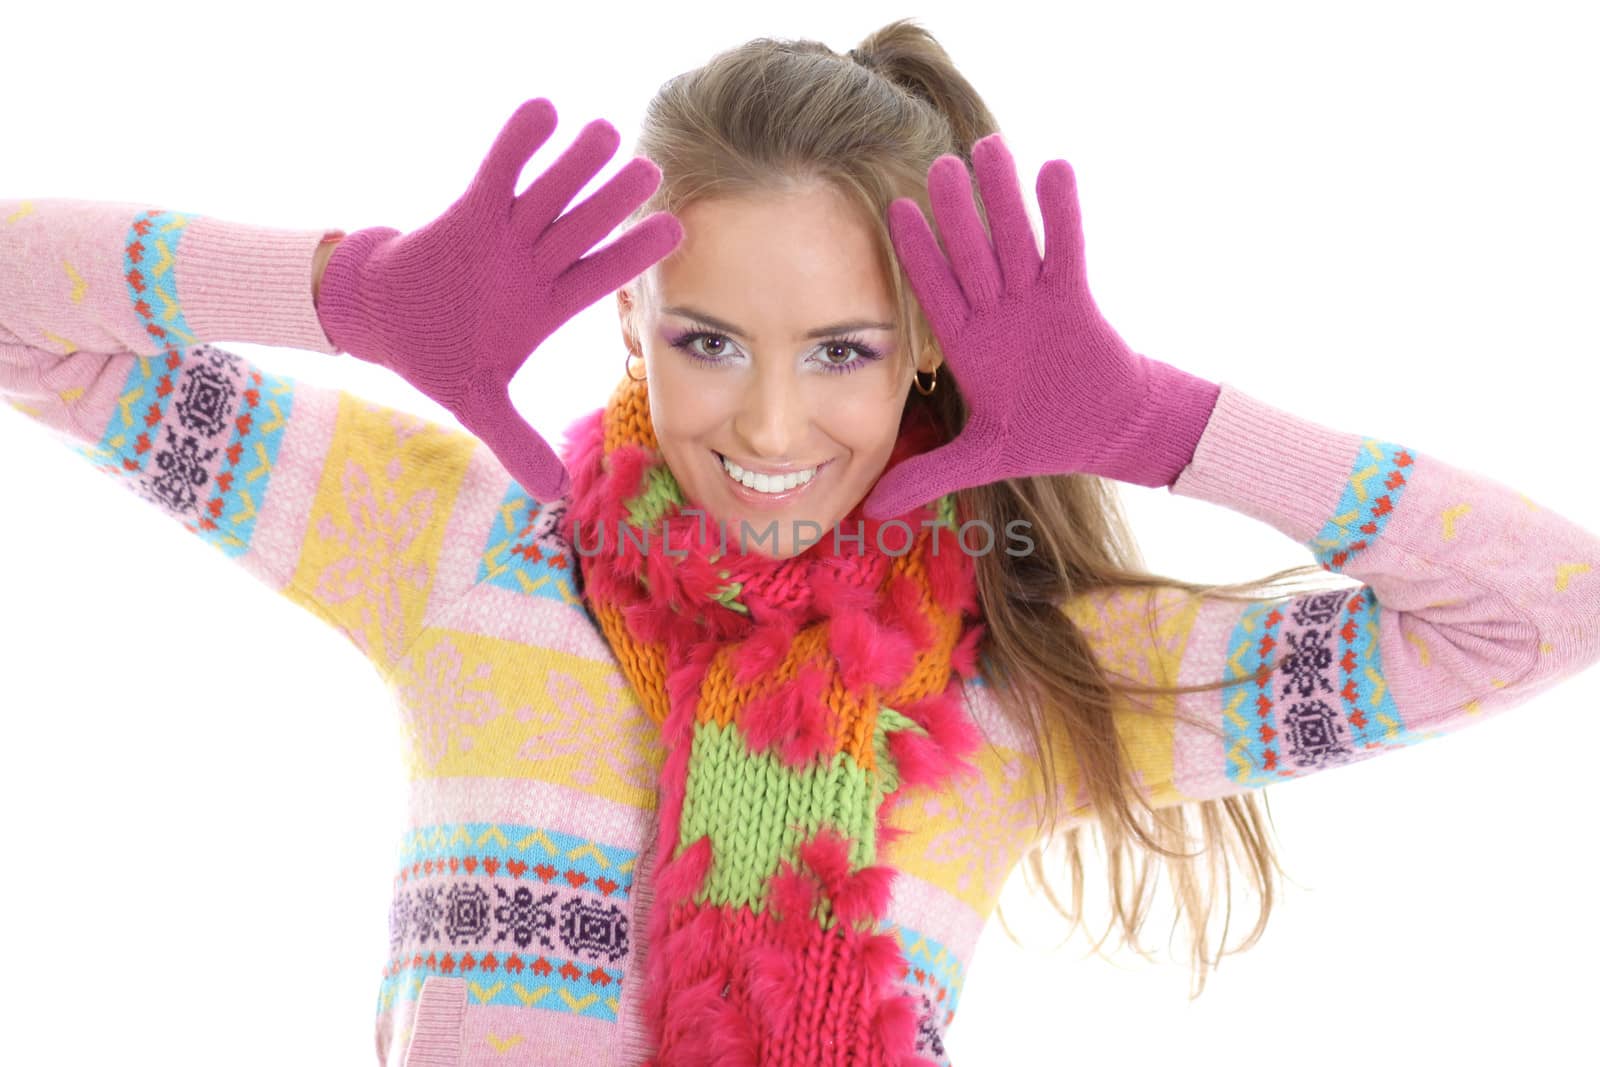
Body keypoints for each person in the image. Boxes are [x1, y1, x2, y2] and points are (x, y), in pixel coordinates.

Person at [3, 18, 1598, 1067]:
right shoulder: (455, 547)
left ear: (926, 353)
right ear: (626, 314)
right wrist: (353, 293)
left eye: (840, 350)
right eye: (709, 339)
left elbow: (1545, 609)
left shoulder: (1027, 687)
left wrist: (1157, 426)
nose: (769, 431)